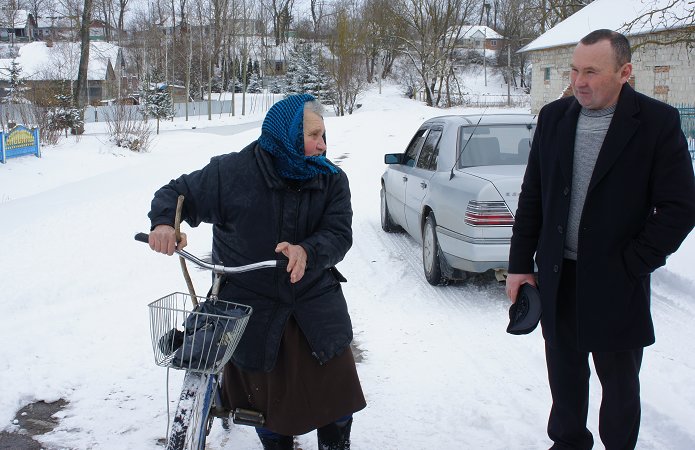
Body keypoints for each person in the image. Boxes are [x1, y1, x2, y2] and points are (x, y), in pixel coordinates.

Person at [506, 29, 695, 449]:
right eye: (574, 70)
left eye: (591, 71)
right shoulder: (554, 118)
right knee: (565, 380)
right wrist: (521, 265)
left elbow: (681, 207)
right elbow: (534, 194)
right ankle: (569, 443)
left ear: (624, 72)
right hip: (559, 278)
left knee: (620, 389)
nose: (579, 81)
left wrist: (633, 263)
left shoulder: (656, 123)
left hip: (617, 281)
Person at [146, 94, 366, 450]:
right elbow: (177, 193)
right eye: (314, 135)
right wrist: (164, 225)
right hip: (249, 304)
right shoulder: (231, 173)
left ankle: (335, 443)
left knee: (336, 397)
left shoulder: (331, 180)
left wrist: (307, 251)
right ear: (288, 133)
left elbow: (339, 234)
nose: (323, 145)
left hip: (313, 300)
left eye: (325, 136)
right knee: (265, 405)